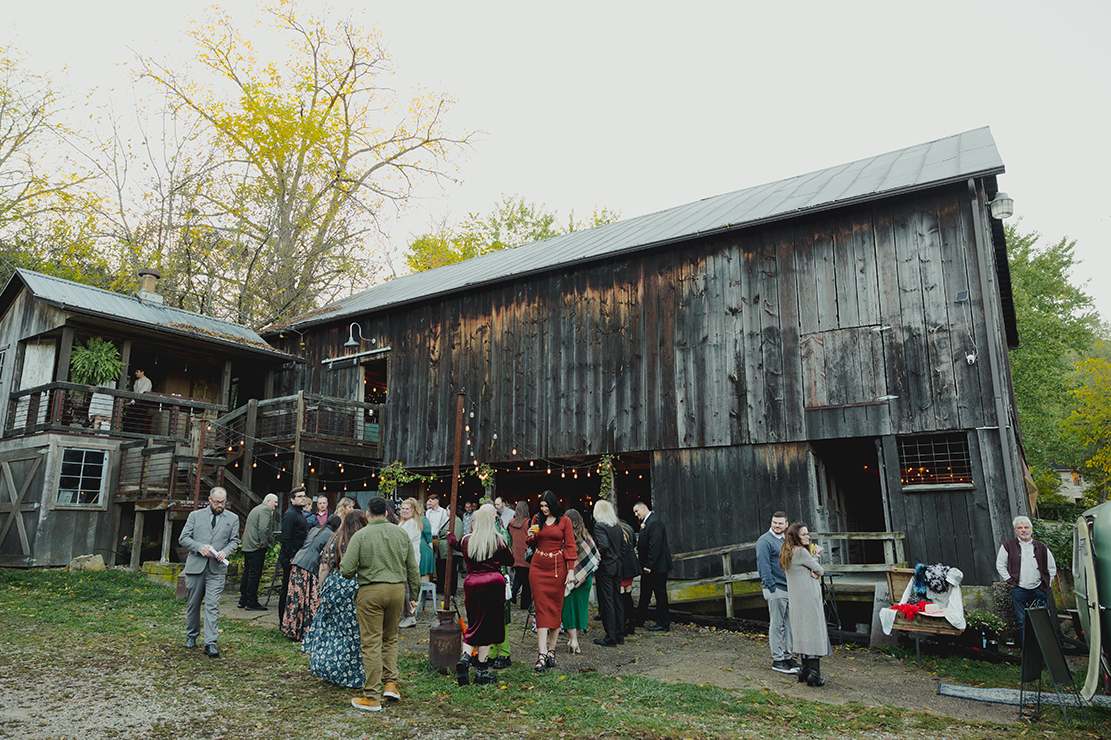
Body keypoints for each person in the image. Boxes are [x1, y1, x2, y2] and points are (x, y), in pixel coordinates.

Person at [341, 497, 419, 712]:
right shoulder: (400, 533)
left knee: (371, 642)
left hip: (371, 591)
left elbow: (346, 570)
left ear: (367, 514)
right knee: (390, 638)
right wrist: (414, 595)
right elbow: (412, 568)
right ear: (386, 514)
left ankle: (372, 696)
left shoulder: (360, 535)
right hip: (397, 590)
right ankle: (390, 684)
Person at [448, 504, 515, 685]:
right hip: (493, 584)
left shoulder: (467, 540)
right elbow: (510, 560)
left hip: (472, 584)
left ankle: (465, 658)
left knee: (474, 624)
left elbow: (455, 544)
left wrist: (451, 537)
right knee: (489, 626)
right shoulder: (497, 540)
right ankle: (482, 671)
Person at [303, 509, 368, 688]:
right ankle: (356, 673)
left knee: (332, 630)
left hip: (336, 587)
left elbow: (325, 566)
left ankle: (329, 667)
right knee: (355, 633)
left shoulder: (336, 539)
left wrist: (321, 588)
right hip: (359, 588)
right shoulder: (366, 539)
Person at [178, 487, 239, 657]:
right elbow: (183, 538)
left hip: (216, 569)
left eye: (223, 502)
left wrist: (225, 552)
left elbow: (234, 541)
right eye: (217, 502)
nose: (220, 505)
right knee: (193, 604)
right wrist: (199, 547)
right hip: (196, 567)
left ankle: (210, 643)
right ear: (210, 500)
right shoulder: (195, 516)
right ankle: (191, 635)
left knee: (212, 605)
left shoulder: (233, 518)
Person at [527, 490, 576, 671]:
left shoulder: (564, 521)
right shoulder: (536, 519)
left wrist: (571, 571)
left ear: (553, 505)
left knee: (555, 608)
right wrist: (530, 536)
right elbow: (530, 543)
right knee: (540, 609)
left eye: (546, 506)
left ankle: (551, 651)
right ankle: (541, 653)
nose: (544, 509)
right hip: (538, 567)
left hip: (557, 568)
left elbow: (570, 545)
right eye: (541, 506)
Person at [779, 522, 830, 686]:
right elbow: (820, 570)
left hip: (797, 599)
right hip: (808, 599)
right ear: (796, 537)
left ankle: (804, 670)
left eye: (808, 534)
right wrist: (816, 570)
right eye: (804, 534)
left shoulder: (788, 552)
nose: (808, 537)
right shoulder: (801, 552)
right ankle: (814, 674)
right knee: (813, 632)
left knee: (802, 632)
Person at [996, 515, 1057, 639]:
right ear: (1015, 530)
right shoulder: (1008, 545)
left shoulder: (1042, 547)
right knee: (1022, 621)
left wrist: (1047, 583)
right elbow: (1000, 565)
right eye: (1020, 528)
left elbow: (1051, 567)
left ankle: (1043, 648)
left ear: (1031, 529)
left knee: (1042, 620)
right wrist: (1010, 581)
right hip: (1019, 589)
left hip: (1039, 589)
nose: (1024, 530)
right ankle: (1027, 649)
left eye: (1026, 527)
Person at [281, 514, 340, 641]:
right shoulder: (332, 536)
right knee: (309, 600)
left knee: (295, 598)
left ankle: (292, 629)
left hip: (297, 562)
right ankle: (307, 630)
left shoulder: (315, 529)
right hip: (310, 567)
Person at [757, 511, 800, 674]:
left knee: (789, 625)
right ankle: (778, 660)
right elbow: (763, 566)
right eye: (774, 522)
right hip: (776, 589)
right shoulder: (764, 541)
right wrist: (771, 587)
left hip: (789, 589)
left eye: (780, 523)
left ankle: (787, 656)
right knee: (777, 625)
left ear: (786, 524)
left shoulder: (786, 540)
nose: (777, 525)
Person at [561, 508, 599, 654]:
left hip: (569, 578)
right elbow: (595, 556)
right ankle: (575, 640)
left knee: (569, 609)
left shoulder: (564, 538)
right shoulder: (587, 537)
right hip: (585, 579)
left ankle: (574, 640)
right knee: (581, 609)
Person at [634, 501, 672, 632]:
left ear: (644, 508)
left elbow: (655, 545)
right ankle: (639, 619)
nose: (636, 514)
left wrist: (649, 565)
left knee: (660, 594)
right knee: (645, 593)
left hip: (657, 567)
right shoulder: (647, 522)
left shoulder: (654, 522)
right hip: (649, 566)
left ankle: (663, 623)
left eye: (637, 511)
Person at [592, 499, 625, 647]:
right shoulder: (617, 526)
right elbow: (623, 546)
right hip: (617, 566)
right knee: (617, 600)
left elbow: (603, 545)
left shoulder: (599, 526)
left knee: (607, 601)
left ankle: (610, 637)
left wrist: (597, 556)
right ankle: (619, 634)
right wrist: (618, 559)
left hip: (606, 567)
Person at [238, 493, 278, 611]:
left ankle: (243, 600)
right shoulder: (265, 510)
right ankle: (251, 602)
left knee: (247, 573)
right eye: (275, 502)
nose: (276, 505)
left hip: (248, 546)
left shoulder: (256, 509)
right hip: (256, 547)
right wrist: (264, 544)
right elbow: (263, 529)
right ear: (268, 501)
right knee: (254, 575)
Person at [398, 497, 431, 628]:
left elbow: (403, 542)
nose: (404, 511)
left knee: (408, 589)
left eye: (407, 509)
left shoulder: (412, 523)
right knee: (404, 588)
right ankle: (406, 615)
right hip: (403, 560)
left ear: (413, 510)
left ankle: (410, 617)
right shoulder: (402, 523)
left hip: (409, 560)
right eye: (402, 508)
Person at [279, 488, 310, 621]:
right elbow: (285, 537)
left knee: (293, 588)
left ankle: (290, 619)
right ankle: (282, 619)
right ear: (292, 500)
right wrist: (291, 556)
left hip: (297, 555)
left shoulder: (298, 512)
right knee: (287, 588)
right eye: (300, 496)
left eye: (304, 496)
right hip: (290, 557)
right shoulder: (290, 514)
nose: (303, 498)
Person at [507, 501, 532, 611]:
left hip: (515, 555)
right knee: (527, 581)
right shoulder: (528, 523)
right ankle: (524, 604)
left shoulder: (510, 524)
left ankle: (513, 592)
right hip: (526, 555)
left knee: (519, 575)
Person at [426, 494, 451, 596]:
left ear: (436, 501)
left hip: (438, 538)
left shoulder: (444, 512)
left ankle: (438, 581)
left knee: (438, 561)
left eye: (430, 500)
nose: (429, 502)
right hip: (429, 538)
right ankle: (430, 580)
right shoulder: (428, 512)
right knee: (430, 560)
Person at [618, 514, 639, 636]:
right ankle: (631, 622)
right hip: (630, 563)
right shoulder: (628, 528)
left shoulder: (616, 529)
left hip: (622, 565)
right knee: (628, 592)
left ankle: (623, 623)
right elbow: (634, 544)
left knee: (621, 594)